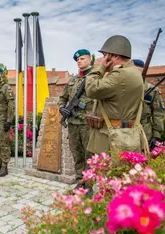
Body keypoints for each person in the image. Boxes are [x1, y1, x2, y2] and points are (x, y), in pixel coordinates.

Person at [85, 35, 144, 154]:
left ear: (115, 56)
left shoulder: (120, 75)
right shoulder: (132, 72)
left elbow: (91, 89)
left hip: (113, 139)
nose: (102, 59)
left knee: (107, 171)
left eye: (105, 55)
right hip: (124, 134)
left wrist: (98, 67)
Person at [58, 49, 94, 182]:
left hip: (87, 124)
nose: (79, 61)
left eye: (82, 58)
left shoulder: (95, 78)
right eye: (77, 60)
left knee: (89, 154)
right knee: (76, 153)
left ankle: (89, 182)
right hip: (73, 123)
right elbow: (63, 97)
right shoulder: (73, 79)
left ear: (90, 59)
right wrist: (62, 108)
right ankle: (80, 180)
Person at [133, 59, 165, 150]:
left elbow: (158, 114)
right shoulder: (124, 88)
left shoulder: (152, 90)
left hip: (145, 131)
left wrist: (156, 135)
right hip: (126, 129)